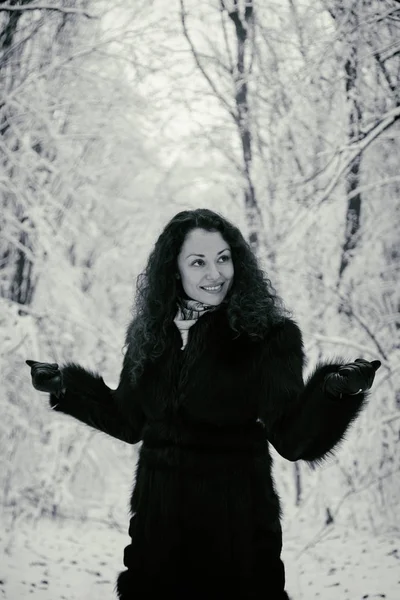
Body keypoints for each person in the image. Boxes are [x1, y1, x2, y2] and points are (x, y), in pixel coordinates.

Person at [26, 208, 381, 600]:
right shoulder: (149, 335)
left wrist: (335, 391)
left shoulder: (268, 336)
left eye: (223, 258)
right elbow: (128, 420)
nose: (215, 274)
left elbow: (293, 438)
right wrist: (65, 386)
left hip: (237, 546)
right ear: (174, 269)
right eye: (198, 262)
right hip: (155, 544)